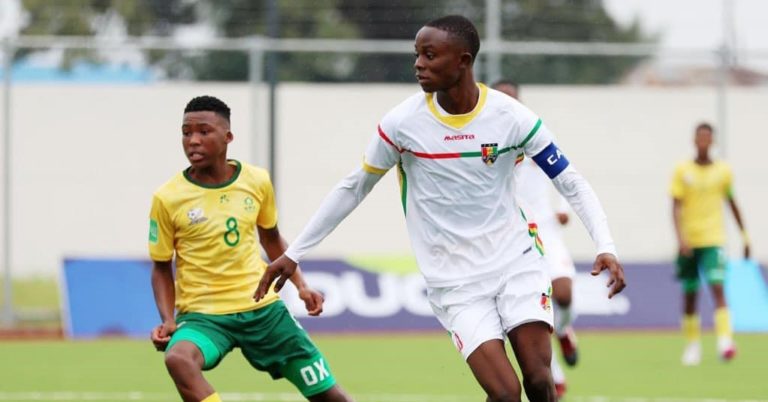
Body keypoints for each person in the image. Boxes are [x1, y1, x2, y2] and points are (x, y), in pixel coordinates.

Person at [255, 15, 626, 402]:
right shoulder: (401, 124)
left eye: (430, 55)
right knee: (504, 394)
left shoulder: (512, 117)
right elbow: (353, 187)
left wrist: (605, 245)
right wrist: (294, 253)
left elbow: (571, 181)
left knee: (538, 380)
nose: (419, 64)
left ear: (463, 61)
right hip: (454, 282)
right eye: (417, 54)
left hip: (516, 264)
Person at [148, 96, 353, 402]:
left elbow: (271, 239)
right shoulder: (167, 198)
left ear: (228, 137)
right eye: (186, 133)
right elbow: (161, 266)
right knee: (178, 359)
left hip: (263, 311)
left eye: (204, 131)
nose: (193, 140)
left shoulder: (256, 181)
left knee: (330, 396)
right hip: (204, 317)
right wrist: (168, 319)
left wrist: (301, 286)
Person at [493, 80, 579, 399]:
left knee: (564, 294)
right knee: (529, 314)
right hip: (511, 238)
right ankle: (554, 374)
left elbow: (564, 174)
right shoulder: (483, 141)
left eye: (511, 98)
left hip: (547, 229)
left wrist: (563, 208)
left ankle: (565, 330)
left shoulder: (534, 133)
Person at [670, 122, 750, 366]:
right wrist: (681, 239)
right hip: (689, 241)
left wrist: (745, 236)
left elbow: (732, 203)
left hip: (714, 239)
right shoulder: (682, 170)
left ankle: (725, 341)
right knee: (690, 294)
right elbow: (676, 206)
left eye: (707, 138)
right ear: (694, 140)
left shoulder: (723, 171)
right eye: (700, 137)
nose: (704, 142)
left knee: (717, 287)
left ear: (712, 141)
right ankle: (692, 345)